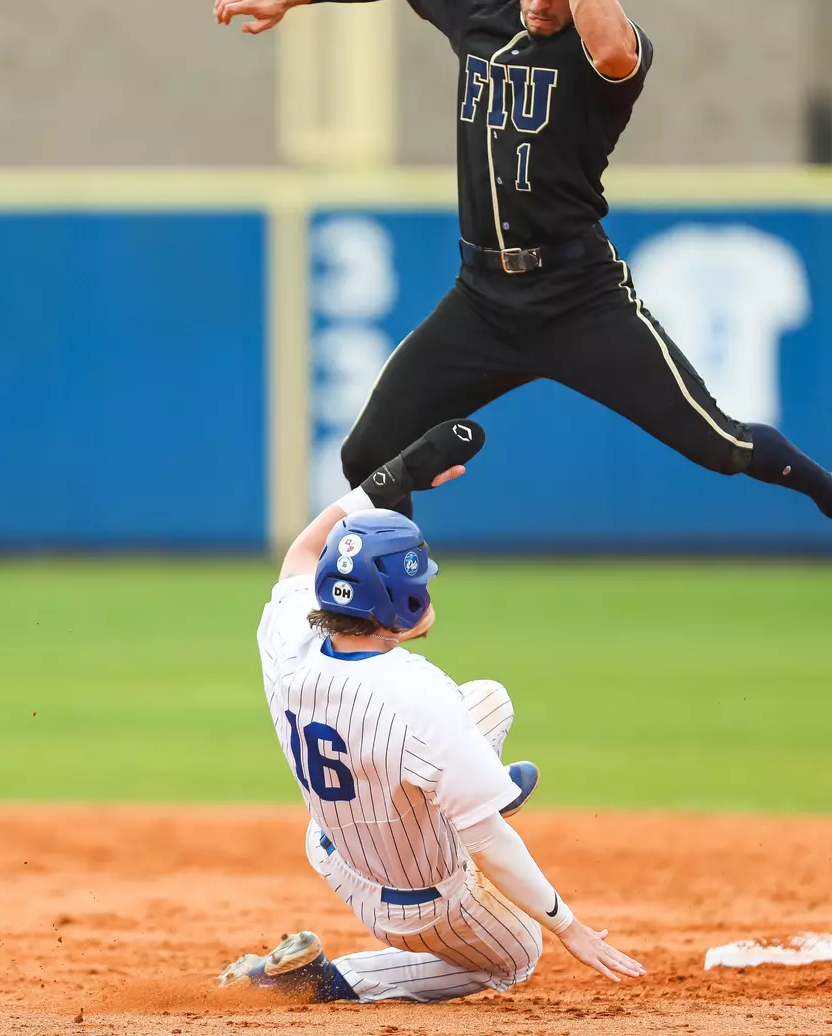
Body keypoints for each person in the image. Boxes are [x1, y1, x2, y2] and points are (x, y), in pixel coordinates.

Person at [212, 0, 832, 576]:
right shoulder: (484, 6)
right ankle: (401, 584)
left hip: (578, 298)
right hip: (484, 298)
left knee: (719, 444)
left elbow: (615, 51)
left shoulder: (610, 50)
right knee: (367, 453)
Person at [217, 420, 644, 1003]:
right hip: (421, 900)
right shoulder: (418, 693)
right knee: (519, 954)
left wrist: (392, 478)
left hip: (334, 846)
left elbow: (304, 551)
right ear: (404, 602)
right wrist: (569, 926)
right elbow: (493, 844)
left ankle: (472, 789)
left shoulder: (287, 633)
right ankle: (322, 983)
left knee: (489, 700)